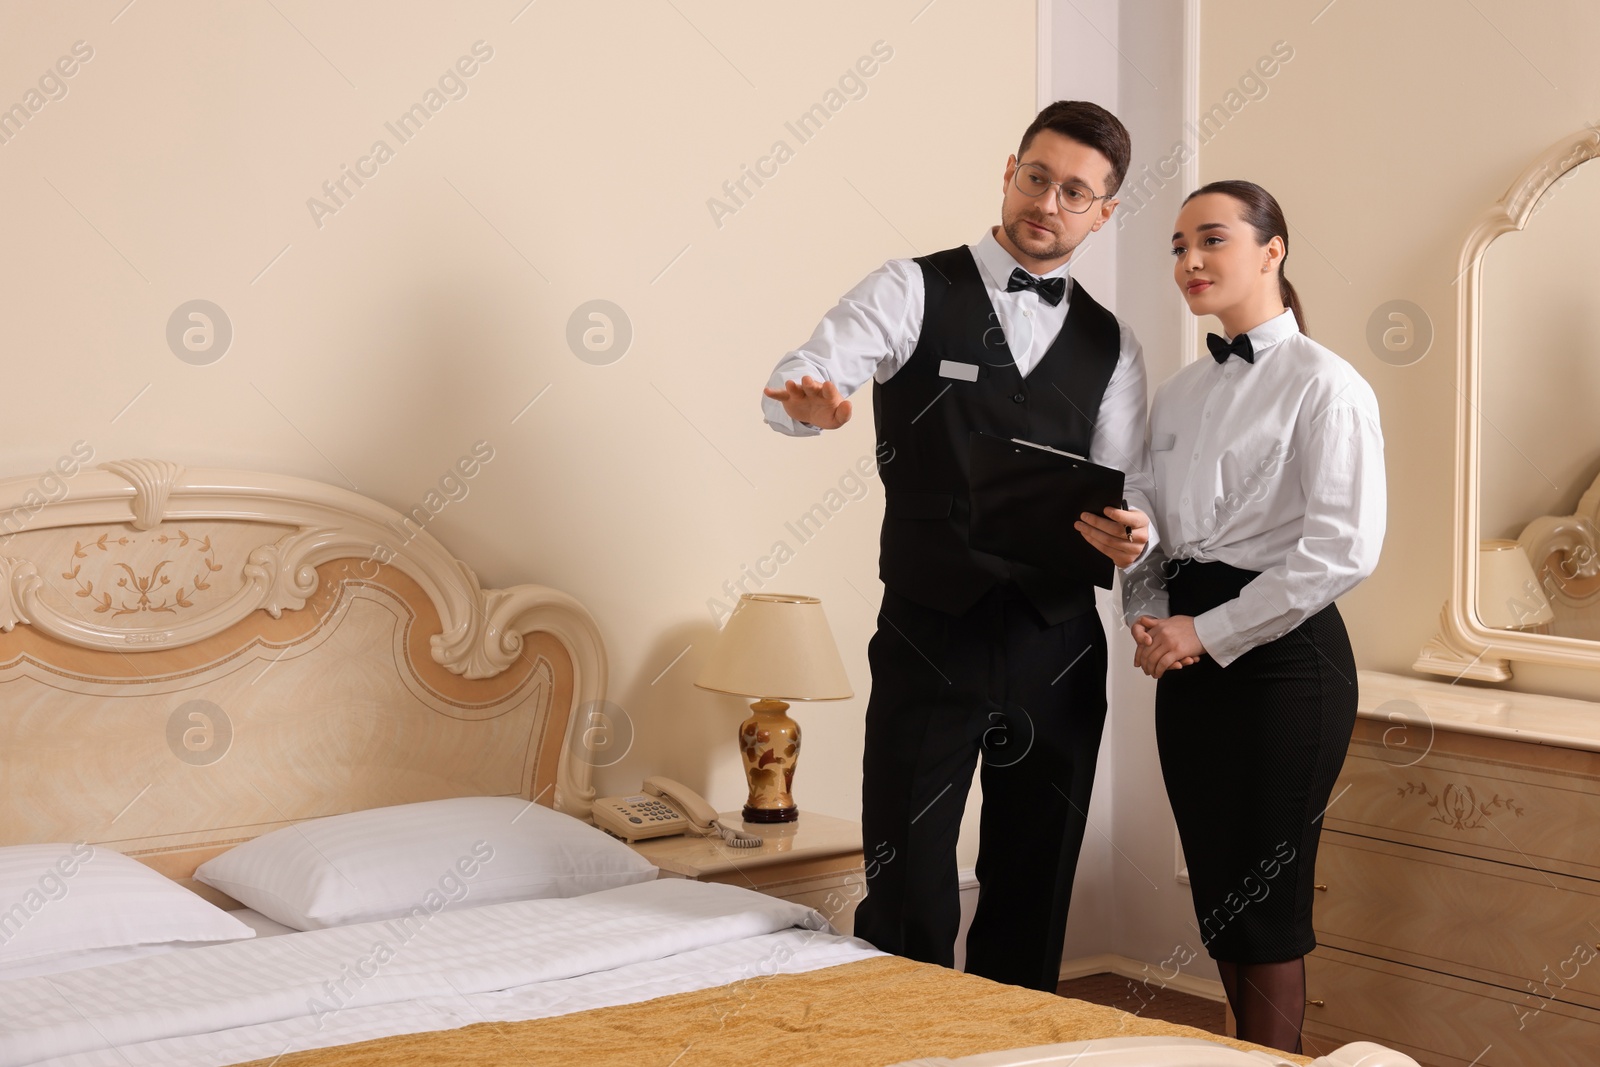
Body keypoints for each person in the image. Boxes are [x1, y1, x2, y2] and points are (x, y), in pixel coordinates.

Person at [761, 101, 1157, 991]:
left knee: (1035, 876)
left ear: (1105, 211)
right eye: (1037, 178)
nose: (1049, 203)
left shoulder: (1114, 344)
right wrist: (810, 403)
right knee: (908, 879)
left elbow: (1130, 489)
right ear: (1009, 169)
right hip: (929, 631)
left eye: (1076, 193)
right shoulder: (910, 287)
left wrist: (1135, 533)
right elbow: (807, 371)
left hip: (1058, 642)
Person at [1125, 180, 1385, 1053]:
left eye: (1212, 240)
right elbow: (1148, 523)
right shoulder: (1182, 390)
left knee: (1265, 907)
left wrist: (1210, 629)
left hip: (1285, 664)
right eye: (1176, 246)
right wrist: (1151, 613)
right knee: (1220, 899)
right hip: (1187, 656)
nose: (1189, 262)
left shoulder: (1328, 385)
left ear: (1272, 250)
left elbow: (1342, 549)